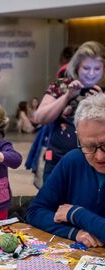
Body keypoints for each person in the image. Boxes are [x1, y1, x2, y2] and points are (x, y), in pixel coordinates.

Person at [27, 93, 105, 248]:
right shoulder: (73, 160)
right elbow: (35, 212)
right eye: (89, 146)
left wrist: (76, 214)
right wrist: (75, 233)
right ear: (78, 137)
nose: (100, 156)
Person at [34, 41, 105, 181]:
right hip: (58, 160)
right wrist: (67, 96)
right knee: (52, 201)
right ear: (77, 67)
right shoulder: (62, 86)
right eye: (86, 68)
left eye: (97, 69)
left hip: (97, 161)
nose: (91, 74)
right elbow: (40, 117)